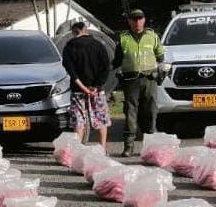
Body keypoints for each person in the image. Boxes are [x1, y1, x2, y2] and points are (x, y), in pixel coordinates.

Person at [112, 9, 165, 157]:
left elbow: (161, 57)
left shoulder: (152, 36)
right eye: (134, 19)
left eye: (140, 19)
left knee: (151, 112)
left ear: (144, 20)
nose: (137, 22)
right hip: (131, 80)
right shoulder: (123, 38)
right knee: (130, 112)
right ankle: (129, 146)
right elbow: (116, 61)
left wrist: (161, 71)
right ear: (129, 21)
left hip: (150, 80)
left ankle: (151, 147)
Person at [61, 21, 112, 150]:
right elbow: (106, 67)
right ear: (85, 30)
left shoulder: (69, 47)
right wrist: (96, 85)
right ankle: (102, 149)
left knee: (79, 122)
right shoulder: (98, 45)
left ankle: (78, 151)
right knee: (101, 119)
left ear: (74, 32)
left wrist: (82, 87)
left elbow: (71, 72)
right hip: (97, 91)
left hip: (78, 90)